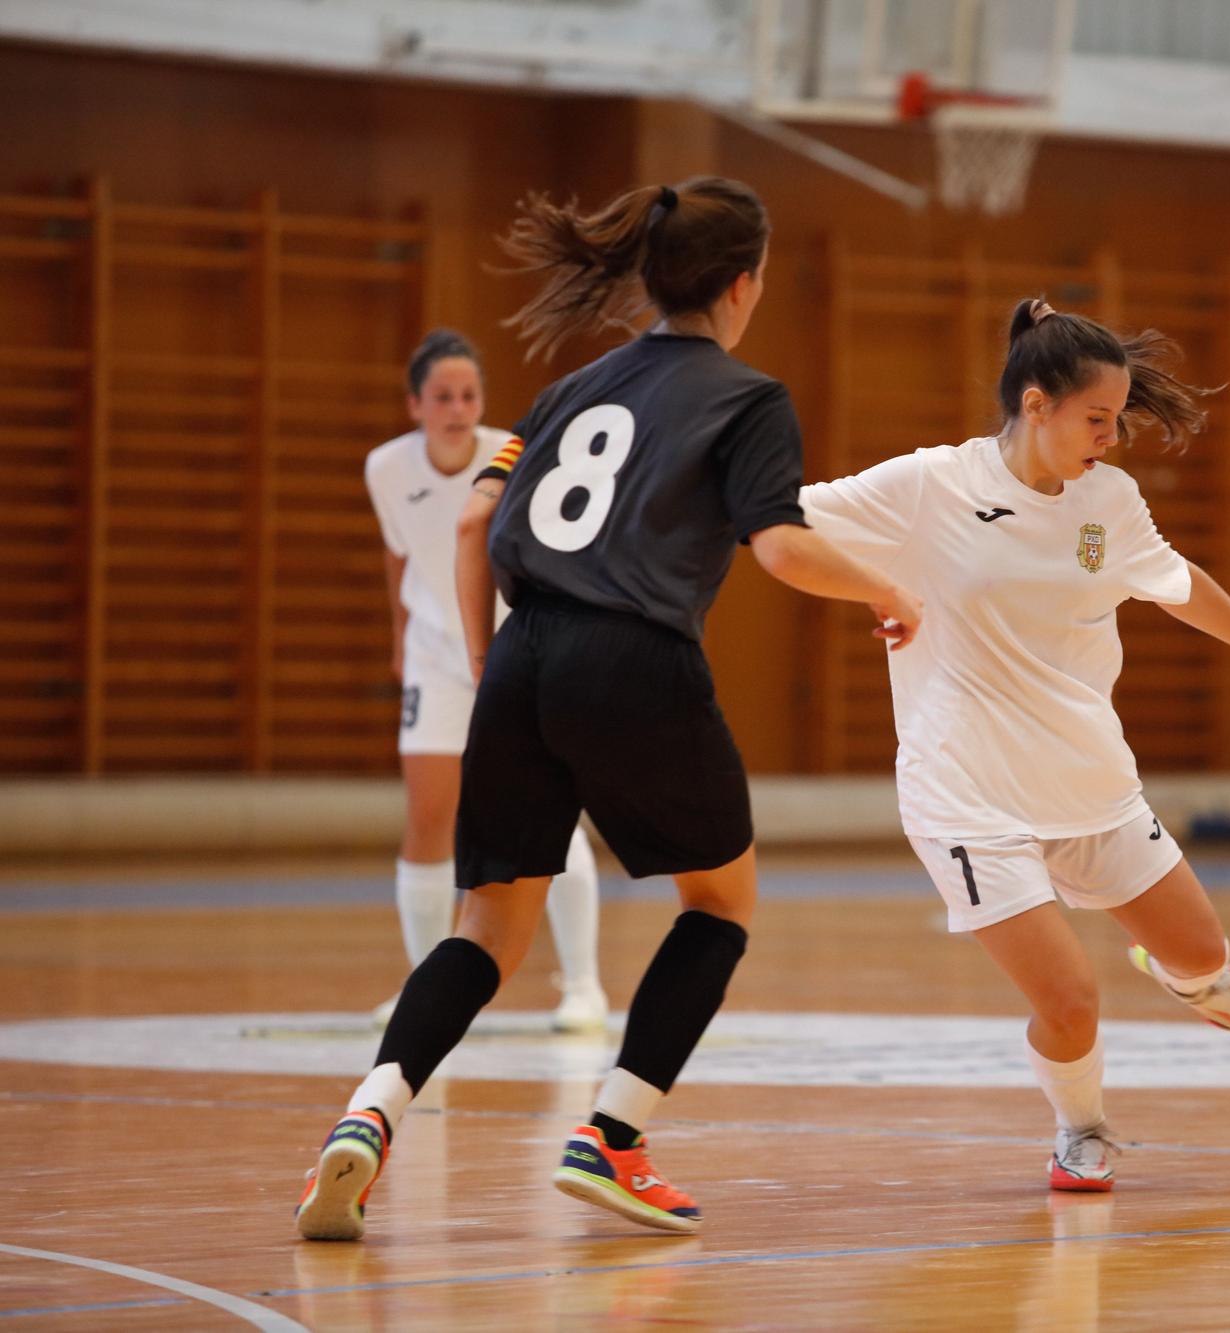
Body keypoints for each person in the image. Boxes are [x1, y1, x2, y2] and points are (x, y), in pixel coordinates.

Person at [296, 177, 923, 1242]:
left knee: (485, 930)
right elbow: (776, 545)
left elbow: (474, 524)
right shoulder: (748, 397)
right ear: (742, 283)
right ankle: (613, 1139)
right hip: (634, 660)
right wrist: (889, 589)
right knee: (719, 904)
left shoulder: (568, 388)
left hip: (520, 656)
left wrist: (498, 664)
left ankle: (366, 1115)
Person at [800, 298, 1230, 1191]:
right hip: (966, 792)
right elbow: (786, 526)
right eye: (1099, 417)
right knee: (1069, 999)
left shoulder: (1109, 502)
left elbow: (1176, 582)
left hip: (1088, 778)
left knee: (1204, 958)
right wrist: (878, 586)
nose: (1115, 437)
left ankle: (1178, 972)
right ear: (1037, 402)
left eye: (1119, 418)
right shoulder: (933, 484)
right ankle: (1081, 1127)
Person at [362, 330, 607, 1033]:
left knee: (550, 812)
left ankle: (584, 985)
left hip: (512, 651)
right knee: (428, 816)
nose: (458, 408)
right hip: (440, 655)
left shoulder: (513, 455)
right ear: (415, 403)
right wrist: (402, 638)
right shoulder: (385, 468)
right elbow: (398, 553)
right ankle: (424, 981)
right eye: (442, 395)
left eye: (468, 394)